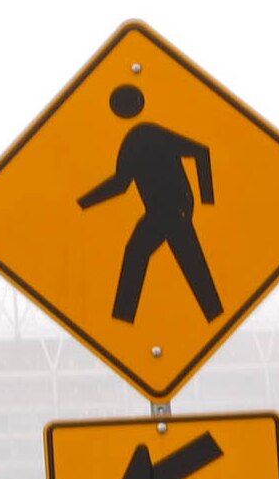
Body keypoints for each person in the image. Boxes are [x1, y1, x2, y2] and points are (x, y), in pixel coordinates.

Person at [77, 80, 220, 323]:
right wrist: (83, 203)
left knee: (149, 254)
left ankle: (123, 320)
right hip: (162, 210)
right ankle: (125, 320)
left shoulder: (147, 134)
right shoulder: (133, 140)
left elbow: (201, 152)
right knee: (176, 259)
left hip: (175, 208)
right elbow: (121, 184)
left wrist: (208, 200)